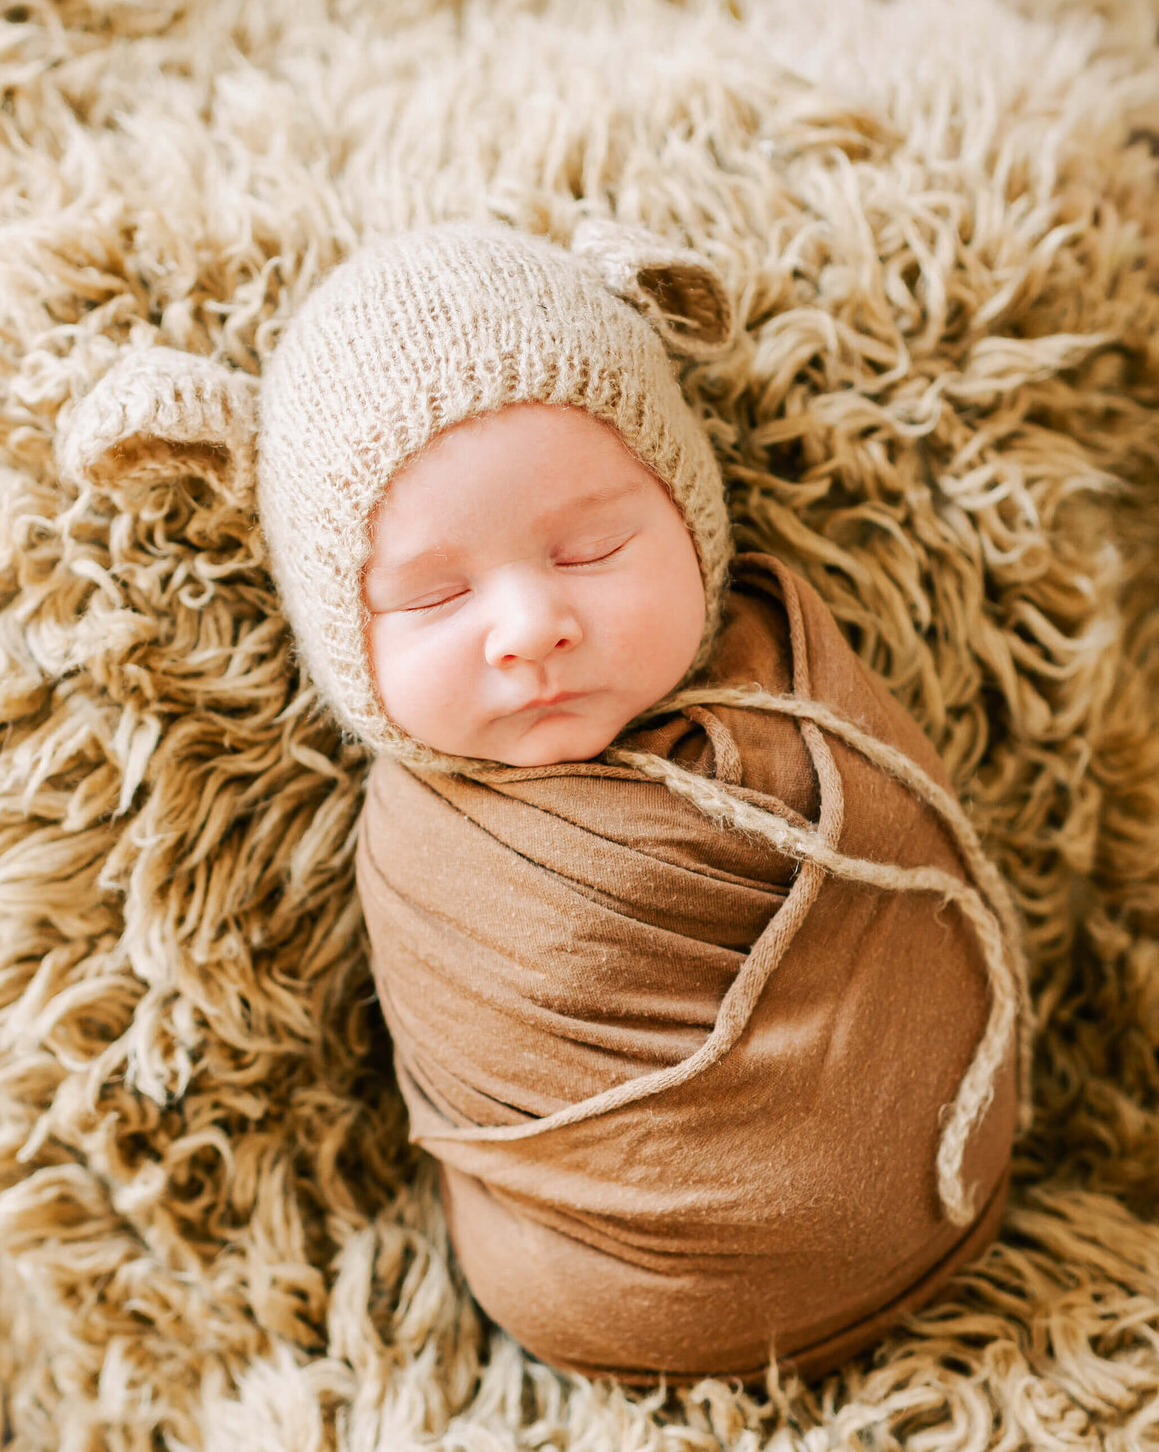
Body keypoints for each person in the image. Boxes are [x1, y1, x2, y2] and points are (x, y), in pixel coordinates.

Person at [63, 217, 1032, 1383]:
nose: (530, 628)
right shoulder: (429, 851)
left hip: (950, 1181)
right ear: (346, 639)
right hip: (602, 1307)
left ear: (689, 517)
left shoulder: (801, 698)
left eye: (591, 550)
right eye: (433, 597)